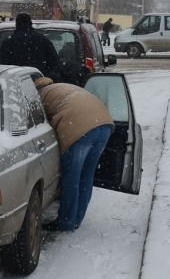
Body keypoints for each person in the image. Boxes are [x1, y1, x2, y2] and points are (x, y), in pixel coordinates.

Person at [34, 76, 114, 231]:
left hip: (79, 129)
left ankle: (66, 222)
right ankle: (77, 218)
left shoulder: (37, 96)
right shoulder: (60, 86)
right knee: (86, 175)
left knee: (72, 177)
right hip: (104, 124)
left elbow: (39, 124)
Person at [0, 13, 62, 81]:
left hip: (15, 83)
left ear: (16, 24)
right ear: (30, 23)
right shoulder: (43, 41)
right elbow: (54, 64)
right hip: (39, 82)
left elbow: (0, 66)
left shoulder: (8, 42)